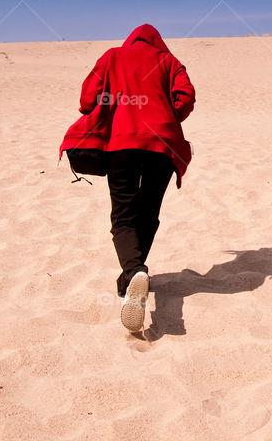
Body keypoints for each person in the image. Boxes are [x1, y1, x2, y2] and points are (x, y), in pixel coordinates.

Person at [60, 24, 195, 332]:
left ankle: (133, 272)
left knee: (123, 213)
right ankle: (133, 275)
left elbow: (86, 99)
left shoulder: (112, 57)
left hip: (122, 144)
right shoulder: (169, 62)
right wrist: (167, 114)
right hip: (162, 144)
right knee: (148, 212)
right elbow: (186, 97)